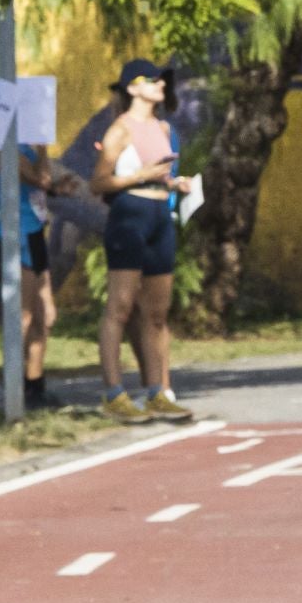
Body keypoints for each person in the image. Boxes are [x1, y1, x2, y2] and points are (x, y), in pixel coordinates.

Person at [90, 58, 195, 424]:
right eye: (152, 80)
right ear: (132, 88)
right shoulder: (121, 128)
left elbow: (160, 174)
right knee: (120, 307)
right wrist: (140, 176)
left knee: (157, 313)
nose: (160, 85)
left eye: (162, 81)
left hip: (159, 218)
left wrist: (174, 184)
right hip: (129, 216)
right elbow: (98, 182)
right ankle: (113, 392)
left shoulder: (164, 128)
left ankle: (157, 390)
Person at [0, 135, 67, 410]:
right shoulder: (4, 145)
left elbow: (43, 186)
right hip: (15, 234)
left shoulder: (26, 148)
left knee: (45, 315)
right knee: (22, 316)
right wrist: (44, 148)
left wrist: (60, 188)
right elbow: (41, 179)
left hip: (34, 232)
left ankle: (35, 384)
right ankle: (14, 386)